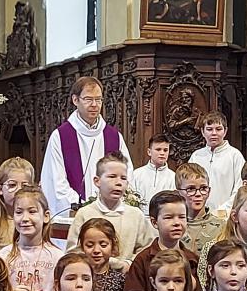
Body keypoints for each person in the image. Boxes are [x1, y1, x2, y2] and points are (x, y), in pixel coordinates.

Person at [40, 76, 134, 215]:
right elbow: (55, 181)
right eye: (89, 99)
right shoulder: (60, 136)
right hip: (77, 214)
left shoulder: (113, 136)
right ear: (75, 100)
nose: (94, 104)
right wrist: (85, 208)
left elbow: (127, 174)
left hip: (111, 213)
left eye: (98, 99)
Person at [66, 151, 155, 270]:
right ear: (97, 181)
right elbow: (73, 253)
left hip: (127, 278)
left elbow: (146, 250)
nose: (118, 183)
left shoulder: (135, 215)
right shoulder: (85, 214)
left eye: (123, 178)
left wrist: (128, 263)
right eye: (112, 176)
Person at [122, 190, 202, 291]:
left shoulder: (192, 259)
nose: (177, 223)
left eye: (182, 217)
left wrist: (194, 286)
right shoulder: (143, 259)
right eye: (169, 217)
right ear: (154, 222)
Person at [187, 111, 246, 212]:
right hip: (198, 214)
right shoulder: (196, 156)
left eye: (218, 129)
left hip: (225, 215)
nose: (214, 133)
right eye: (209, 129)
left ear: (225, 131)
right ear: (202, 131)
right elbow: (187, 185)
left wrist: (223, 210)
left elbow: (239, 188)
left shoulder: (235, 156)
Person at [0, 157, 36, 252]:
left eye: (25, 186)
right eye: (12, 185)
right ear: (0, 189)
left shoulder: (36, 222)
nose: (19, 190)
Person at [177, 162, 223, 255]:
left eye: (203, 188)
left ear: (209, 191)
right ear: (178, 192)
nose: (198, 194)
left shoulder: (222, 227)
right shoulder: (174, 225)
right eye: (191, 189)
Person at [130, 134, 175, 213]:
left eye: (165, 150)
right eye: (158, 149)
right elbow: (131, 199)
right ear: (149, 152)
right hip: (141, 218)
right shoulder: (137, 174)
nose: (162, 153)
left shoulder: (173, 177)